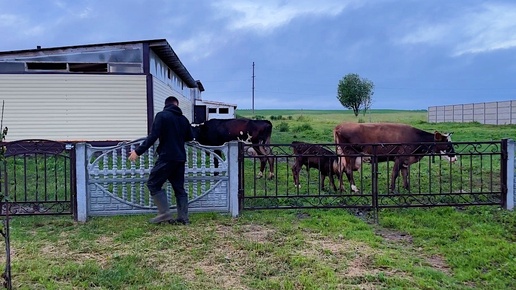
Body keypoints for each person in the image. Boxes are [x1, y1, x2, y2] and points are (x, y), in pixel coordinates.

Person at [128, 96, 193, 224]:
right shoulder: (183, 119)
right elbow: (190, 137)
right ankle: (183, 218)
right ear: (177, 105)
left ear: (166, 105)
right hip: (180, 158)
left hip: (167, 157)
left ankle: (164, 214)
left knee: (153, 183)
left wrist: (137, 151)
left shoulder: (162, 116)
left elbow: (153, 136)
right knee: (179, 188)